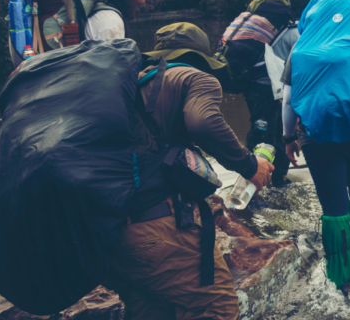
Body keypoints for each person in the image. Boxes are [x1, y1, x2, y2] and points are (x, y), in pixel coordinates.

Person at [104, 22, 274, 320]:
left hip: (111, 235)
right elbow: (204, 121)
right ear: (201, 58)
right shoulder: (195, 78)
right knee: (218, 309)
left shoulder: (133, 86)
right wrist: (250, 166)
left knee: (153, 312)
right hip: (158, 230)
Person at [280, 0, 350, 293]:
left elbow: (289, 100)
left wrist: (289, 137)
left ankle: (341, 277)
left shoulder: (301, 51)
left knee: (333, 205)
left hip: (317, 137)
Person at [243, 0, 299, 188]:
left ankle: (257, 176)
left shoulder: (255, 34)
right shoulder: (294, 33)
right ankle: (275, 180)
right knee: (277, 134)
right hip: (276, 92)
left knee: (261, 131)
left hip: (255, 90)